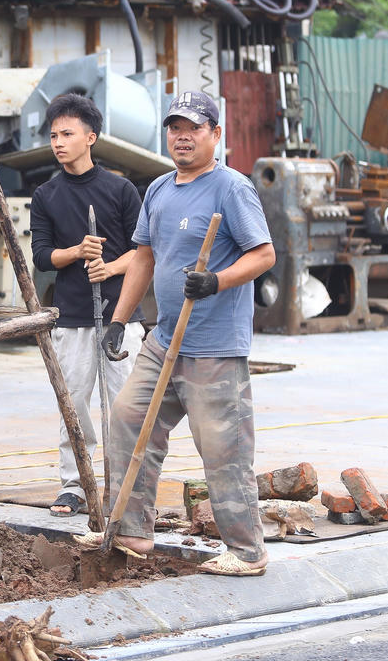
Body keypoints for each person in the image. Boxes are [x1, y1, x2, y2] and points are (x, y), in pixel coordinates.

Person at [101, 90, 276, 577]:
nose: (182, 135)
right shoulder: (158, 189)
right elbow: (143, 258)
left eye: (194, 127)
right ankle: (134, 530)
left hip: (213, 347)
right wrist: (120, 319)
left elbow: (263, 255)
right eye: (175, 127)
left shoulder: (231, 188)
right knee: (128, 418)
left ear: (214, 135)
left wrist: (216, 280)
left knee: (223, 450)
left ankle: (247, 552)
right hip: (163, 343)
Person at [29, 93, 145, 518]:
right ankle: (74, 485)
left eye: (68, 134)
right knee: (73, 403)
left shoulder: (120, 189)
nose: (58, 142)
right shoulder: (46, 194)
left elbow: (146, 251)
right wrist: (76, 251)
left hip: (121, 316)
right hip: (73, 316)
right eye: (54, 135)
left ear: (90, 137)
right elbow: (42, 256)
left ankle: (127, 486)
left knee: (125, 404)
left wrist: (110, 267)